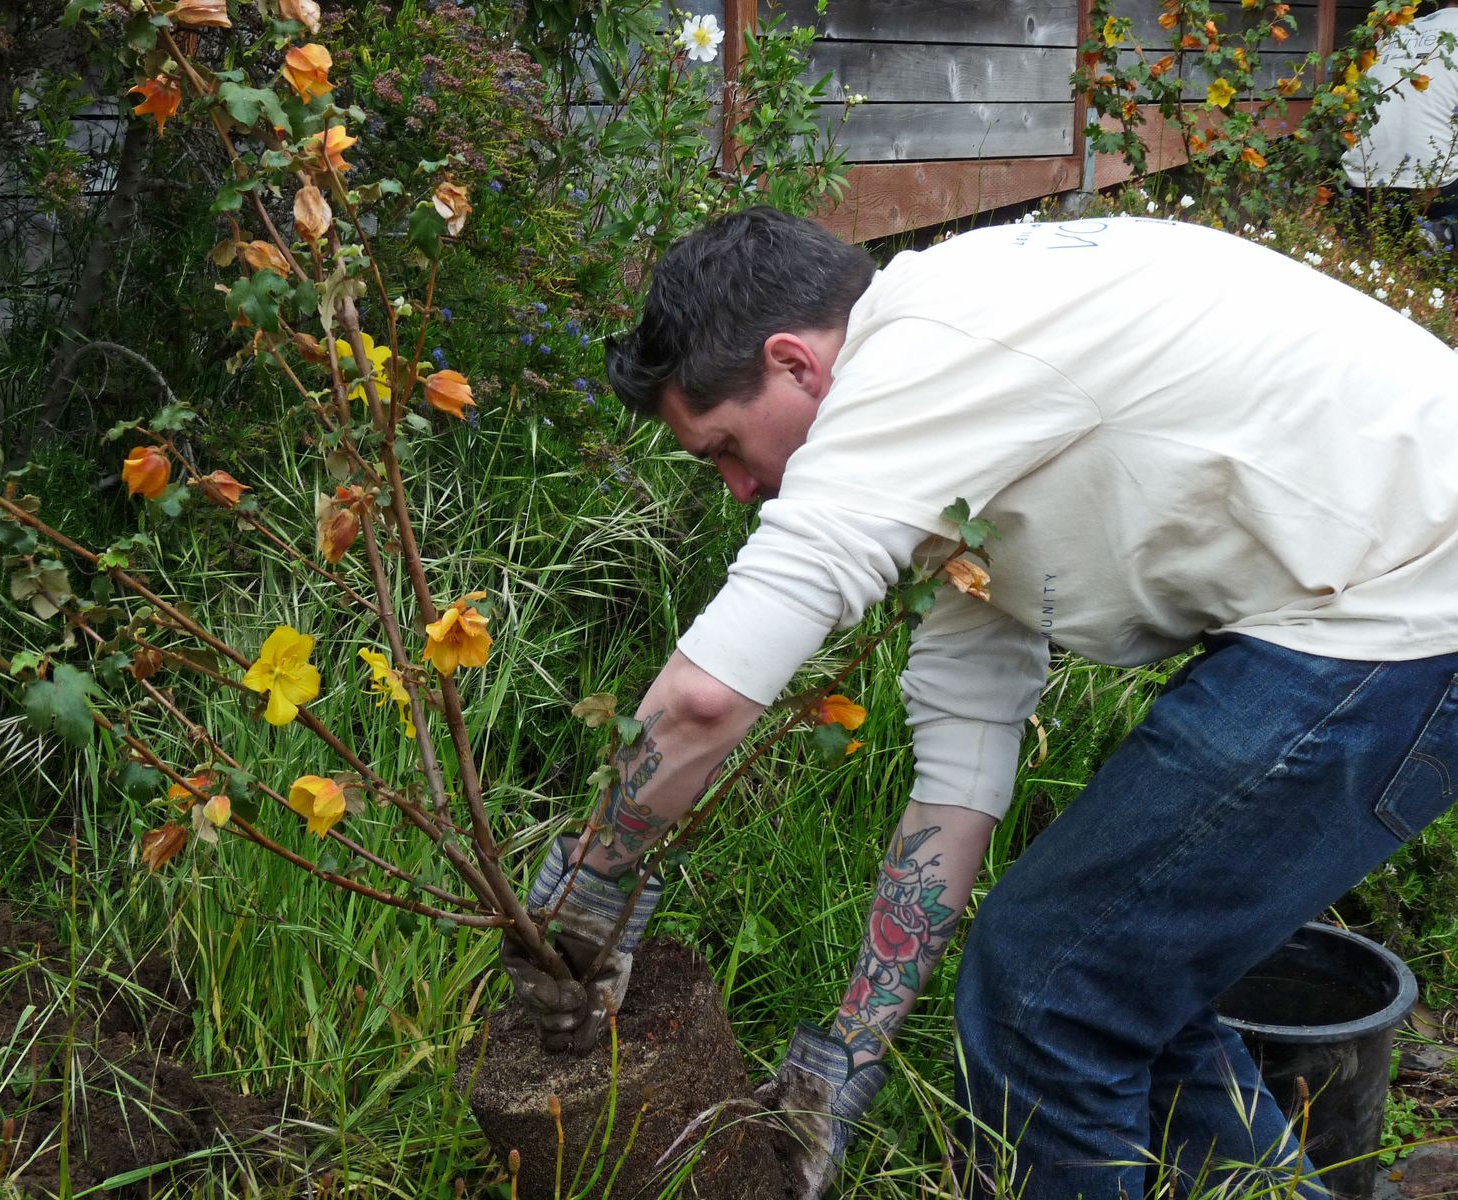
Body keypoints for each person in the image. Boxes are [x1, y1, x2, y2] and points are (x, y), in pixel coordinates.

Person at [501, 206, 1458, 1200]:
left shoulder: (924, 352)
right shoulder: (965, 418)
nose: (740, 488)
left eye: (724, 448)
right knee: (1116, 980)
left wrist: (589, 886)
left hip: (1405, 600)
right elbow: (961, 774)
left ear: (794, 364)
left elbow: (704, 700)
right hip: (1370, 601)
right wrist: (847, 1058)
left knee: (1051, 992)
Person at [1342, 0, 1458, 248]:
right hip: (1433, 192)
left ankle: (1379, 227)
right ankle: (1445, 231)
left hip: (1362, 186)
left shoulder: (1399, 29)